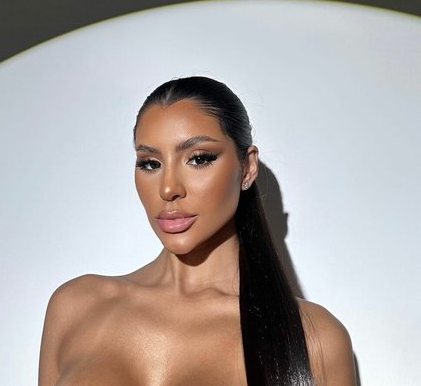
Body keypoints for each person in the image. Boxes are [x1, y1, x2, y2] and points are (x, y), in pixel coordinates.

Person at [38, 76, 356, 385]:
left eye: (198, 159)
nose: (168, 189)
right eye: (150, 163)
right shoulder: (76, 305)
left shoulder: (314, 339)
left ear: (248, 167)